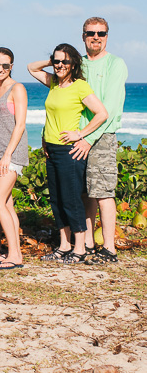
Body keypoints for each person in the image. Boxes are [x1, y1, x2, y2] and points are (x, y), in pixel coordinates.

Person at [27, 44, 107, 264]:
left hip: (68, 151)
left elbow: (102, 114)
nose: (60, 65)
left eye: (65, 61)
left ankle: (79, 249)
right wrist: (51, 62)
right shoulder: (53, 82)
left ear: (74, 64)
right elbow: (31, 67)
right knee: (57, 200)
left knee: (72, 200)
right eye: (57, 61)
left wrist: (80, 134)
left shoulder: (79, 86)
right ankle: (64, 246)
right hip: (51, 150)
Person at [70, 18, 128, 265]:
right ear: (82, 36)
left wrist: (88, 138)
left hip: (101, 137)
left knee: (103, 192)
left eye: (100, 33)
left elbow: (111, 109)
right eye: (90, 33)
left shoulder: (116, 64)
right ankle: (88, 244)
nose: (96, 37)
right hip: (78, 136)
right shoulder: (77, 64)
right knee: (86, 193)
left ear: (107, 35)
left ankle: (109, 249)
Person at [0, 48, 28, 270]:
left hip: (11, 154)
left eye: (5, 65)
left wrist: (8, 155)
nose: (0, 69)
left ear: (11, 67)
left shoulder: (17, 88)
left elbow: (20, 124)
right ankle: (15, 252)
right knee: (8, 205)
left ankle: (14, 256)